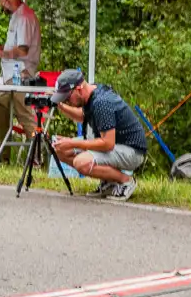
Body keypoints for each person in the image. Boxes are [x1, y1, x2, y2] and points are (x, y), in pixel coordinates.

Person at [50, 68, 149, 200]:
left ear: (78, 89)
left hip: (132, 151)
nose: (67, 101)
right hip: (115, 145)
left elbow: (107, 144)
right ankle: (110, 183)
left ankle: (126, 182)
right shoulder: (91, 94)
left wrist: (72, 142)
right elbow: (82, 116)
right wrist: (61, 106)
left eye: (67, 98)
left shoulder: (101, 103)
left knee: (81, 162)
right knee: (60, 150)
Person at [0, 0, 40, 162]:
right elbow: (14, 46)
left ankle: (37, 158)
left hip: (21, 74)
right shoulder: (16, 16)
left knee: (25, 115)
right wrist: (1, 48)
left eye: (1, 2)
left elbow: (23, 50)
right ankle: (4, 155)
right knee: (1, 112)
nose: (1, 6)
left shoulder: (24, 17)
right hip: (9, 76)